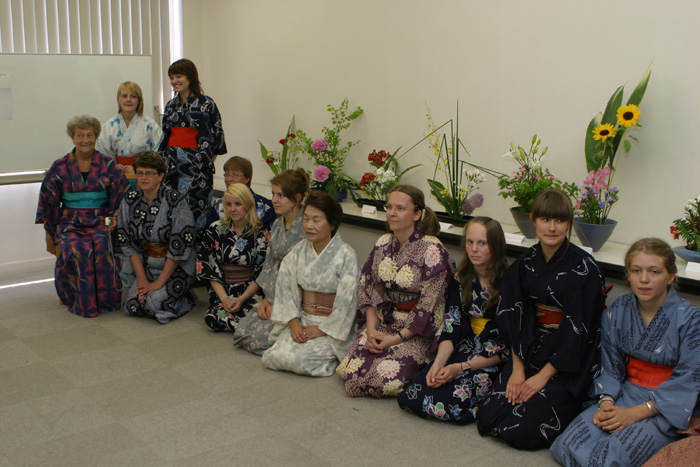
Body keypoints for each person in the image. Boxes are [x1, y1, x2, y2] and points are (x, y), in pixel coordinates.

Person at [475, 189, 607, 449]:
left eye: (560, 221)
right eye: (545, 220)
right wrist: (518, 369)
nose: (552, 228)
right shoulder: (525, 263)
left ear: (569, 223)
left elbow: (580, 331)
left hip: (568, 360)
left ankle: (569, 404)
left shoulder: (586, 268)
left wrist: (543, 376)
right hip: (530, 349)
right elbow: (512, 316)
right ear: (533, 220)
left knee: (521, 431)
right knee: (488, 418)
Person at [550, 238, 700, 467]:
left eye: (654, 271)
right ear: (628, 274)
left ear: (671, 276)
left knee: (611, 454)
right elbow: (610, 364)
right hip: (624, 391)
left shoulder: (691, 319)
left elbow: (689, 378)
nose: (644, 279)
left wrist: (636, 413)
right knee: (569, 443)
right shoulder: (619, 309)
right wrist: (607, 403)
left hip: (664, 403)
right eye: (636, 270)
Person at [337, 184, 454, 397]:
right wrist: (372, 330)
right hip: (385, 319)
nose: (392, 213)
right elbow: (368, 286)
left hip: (416, 329)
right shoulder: (383, 242)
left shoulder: (433, 250)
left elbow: (430, 305)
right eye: (389, 207)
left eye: (400, 208)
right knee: (349, 370)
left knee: (385, 380)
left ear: (418, 214)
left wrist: (396, 338)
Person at [398, 217, 509, 423]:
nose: (474, 249)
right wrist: (439, 363)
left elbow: (505, 349)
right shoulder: (461, 278)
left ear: (496, 245)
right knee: (414, 393)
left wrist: (460, 368)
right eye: (469, 242)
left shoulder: (510, 283)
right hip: (464, 346)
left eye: (482, 243)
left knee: (451, 404)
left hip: (491, 358)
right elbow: (451, 327)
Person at [35, 115, 130, 317]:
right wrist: (49, 233)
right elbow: (48, 201)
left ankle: (105, 301)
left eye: (90, 135)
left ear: (96, 137)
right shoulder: (59, 166)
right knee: (76, 248)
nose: (85, 139)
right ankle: (76, 298)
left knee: (102, 245)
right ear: (73, 138)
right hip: (70, 222)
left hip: (100, 221)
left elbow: (121, 194)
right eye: (80, 135)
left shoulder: (108, 164)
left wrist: (114, 217)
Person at [261, 191, 360, 376]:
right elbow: (284, 288)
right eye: (305, 219)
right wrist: (293, 323)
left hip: (331, 326)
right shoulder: (298, 251)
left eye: (316, 220)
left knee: (300, 360)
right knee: (273, 356)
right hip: (302, 319)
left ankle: (330, 356)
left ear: (332, 223)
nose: (309, 225)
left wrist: (322, 329)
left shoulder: (346, 256)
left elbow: (348, 301)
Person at [234, 168, 309, 354]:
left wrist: (280, 304)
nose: (274, 200)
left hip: (298, 300)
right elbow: (269, 265)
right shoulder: (277, 224)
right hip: (275, 291)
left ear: (297, 197)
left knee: (258, 339)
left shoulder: (308, 227)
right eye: (274, 194)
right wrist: (267, 300)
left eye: (281, 195)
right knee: (242, 332)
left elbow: (306, 274)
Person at [116, 151, 197, 324]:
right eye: (140, 173)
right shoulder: (130, 200)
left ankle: (186, 298)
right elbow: (127, 243)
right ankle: (171, 294)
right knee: (133, 306)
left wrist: (159, 283)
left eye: (149, 173)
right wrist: (143, 280)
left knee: (153, 305)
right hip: (147, 267)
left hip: (176, 267)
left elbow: (179, 246)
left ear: (160, 175)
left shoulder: (175, 199)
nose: (144, 177)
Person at [159, 58, 227, 233]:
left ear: (190, 77)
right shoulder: (170, 106)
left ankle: (196, 259)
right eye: (172, 77)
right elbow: (165, 140)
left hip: (197, 175)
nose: (175, 81)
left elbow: (216, 141)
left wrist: (202, 167)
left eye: (179, 76)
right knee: (172, 216)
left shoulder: (206, 104)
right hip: (172, 171)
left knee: (196, 218)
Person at [198, 183, 269, 332]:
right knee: (212, 318)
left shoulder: (261, 233)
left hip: (249, 291)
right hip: (223, 289)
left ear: (248, 204)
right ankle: (247, 328)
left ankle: (247, 325)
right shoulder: (215, 229)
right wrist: (225, 299)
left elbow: (262, 271)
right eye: (228, 204)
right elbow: (208, 266)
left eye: (238, 204)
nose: (232, 209)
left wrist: (241, 299)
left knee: (256, 313)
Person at [96, 81, 163, 186]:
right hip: (116, 176)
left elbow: (159, 152)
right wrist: (115, 167)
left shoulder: (150, 126)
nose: (128, 100)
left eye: (133, 96)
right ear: (119, 99)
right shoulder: (109, 125)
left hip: (144, 177)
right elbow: (102, 152)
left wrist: (139, 167)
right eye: (124, 96)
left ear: (139, 100)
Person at [208, 156, 275, 230]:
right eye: (226, 174)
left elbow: (269, 236)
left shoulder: (264, 206)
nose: (229, 179)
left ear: (247, 179)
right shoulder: (219, 204)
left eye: (234, 175)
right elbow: (210, 232)